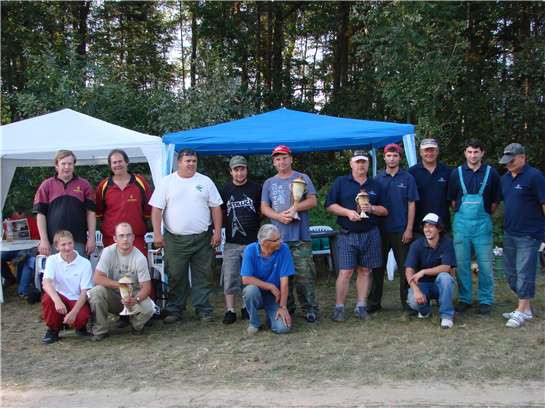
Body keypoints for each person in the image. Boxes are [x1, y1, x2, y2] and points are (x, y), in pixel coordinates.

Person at [150, 149, 223, 324]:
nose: (191, 164)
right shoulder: (167, 182)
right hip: (175, 239)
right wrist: (157, 234)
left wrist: (218, 231)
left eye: (194, 161)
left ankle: (203, 309)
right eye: (187, 161)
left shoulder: (205, 181)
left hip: (202, 238)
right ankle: (175, 309)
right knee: (175, 275)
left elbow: (216, 207)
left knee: (203, 275)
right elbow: (156, 209)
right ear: (179, 163)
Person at [325, 150, 388, 322]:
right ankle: (339, 308)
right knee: (345, 272)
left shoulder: (376, 185)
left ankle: (361, 307)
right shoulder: (341, 182)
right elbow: (329, 205)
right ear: (351, 164)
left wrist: (372, 209)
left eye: (364, 162)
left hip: (370, 233)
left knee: (365, 271)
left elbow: (385, 210)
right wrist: (347, 212)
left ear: (368, 164)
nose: (361, 165)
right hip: (347, 234)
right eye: (357, 162)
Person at [261, 144, 319, 322]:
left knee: (305, 276)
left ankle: (310, 309)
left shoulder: (302, 178)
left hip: (300, 238)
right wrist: (279, 216)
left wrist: (295, 208)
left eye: (284, 157)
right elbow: (264, 207)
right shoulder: (269, 183)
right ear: (274, 163)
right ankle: (288, 307)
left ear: (291, 159)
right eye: (277, 159)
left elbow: (312, 201)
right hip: (277, 240)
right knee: (283, 277)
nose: (281, 161)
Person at [448, 139, 501, 315]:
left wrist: (483, 216)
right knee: (462, 264)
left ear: (482, 153)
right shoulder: (457, 173)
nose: (473, 155)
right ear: (465, 153)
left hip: (482, 226)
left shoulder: (491, 173)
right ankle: (465, 299)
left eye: (476, 152)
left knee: (485, 264)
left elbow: (494, 203)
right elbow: (453, 201)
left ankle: (486, 300)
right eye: (469, 152)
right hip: (462, 225)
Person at [368, 143, 419, 313]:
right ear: (384, 157)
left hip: (401, 229)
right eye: (389, 156)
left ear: (400, 157)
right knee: (377, 268)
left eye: (395, 155)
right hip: (380, 230)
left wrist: (409, 228)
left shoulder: (408, 178)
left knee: (405, 267)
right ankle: (374, 303)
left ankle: (407, 303)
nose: (392, 158)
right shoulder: (376, 179)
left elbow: (412, 204)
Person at [499, 143, 545, 328]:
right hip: (510, 232)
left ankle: (521, 310)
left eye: (512, 160)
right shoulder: (505, 179)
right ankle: (525, 308)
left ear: (522, 157)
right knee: (510, 273)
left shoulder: (535, 177)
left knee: (525, 272)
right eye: (506, 161)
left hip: (530, 234)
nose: (508, 164)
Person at [87, 223, 155, 341]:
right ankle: (100, 330)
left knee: (149, 307)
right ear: (115, 238)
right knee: (96, 292)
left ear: (133, 237)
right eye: (121, 235)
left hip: (133, 297)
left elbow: (146, 287)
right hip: (114, 296)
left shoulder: (140, 258)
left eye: (128, 235)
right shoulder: (108, 252)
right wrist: (120, 285)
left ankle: (136, 325)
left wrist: (135, 299)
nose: (125, 239)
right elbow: (97, 278)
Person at [220, 155, 261, 324]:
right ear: (231, 171)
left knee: (248, 276)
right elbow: (219, 213)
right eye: (236, 169)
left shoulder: (256, 188)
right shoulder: (225, 190)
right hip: (231, 241)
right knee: (230, 276)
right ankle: (230, 310)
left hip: (252, 241)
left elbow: (262, 210)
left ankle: (246, 306)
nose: (239, 172)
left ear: (246, 169)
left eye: (242, 168)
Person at [33, 150, 96, 257]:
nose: (67, 167)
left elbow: (91, 214)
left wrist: (91, 239)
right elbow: (40, 214)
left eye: (70, 164)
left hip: (79, 241)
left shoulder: (85, 185)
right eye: (63, 163)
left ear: (74, 165)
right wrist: (43, 240)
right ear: (56, 165)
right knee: (54, 273)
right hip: (54, 243)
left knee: (79, 272)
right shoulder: (46, 185)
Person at [96, 149, 153, 255]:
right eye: (114, 162)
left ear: (127, 162)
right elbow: (99, 213)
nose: (118, 165)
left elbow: (149, 210)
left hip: (136, 238)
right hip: (111, 239)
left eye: (120, 161)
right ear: (110, 165)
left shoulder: (141, 183)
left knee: (138, 270)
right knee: (113, 271)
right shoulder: (103, 186)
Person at [40, 230, 93, 344]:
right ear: (57, 246)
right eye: (63, 245)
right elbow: (46, 283)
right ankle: (53, 330)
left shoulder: (85, 263)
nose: (67, 248)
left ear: (74, 243)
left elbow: (84, 292)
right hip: (60, 296)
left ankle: (80, 327)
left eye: (70, 243)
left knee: (80, 318)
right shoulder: (52, 260)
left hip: (76, 299)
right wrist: (57, 301)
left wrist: (74, 312)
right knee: (48, 298)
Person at [406, 213, 457, 329]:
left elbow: (446, 267)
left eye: (431, 226)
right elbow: (409, 270)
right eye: (425, 226)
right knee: (414, 302)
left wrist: (423, 271)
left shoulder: (447, 243)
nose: (427, 229)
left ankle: (446, 316)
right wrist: (415, 289)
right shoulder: (416, 245)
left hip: (441, 285)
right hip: (422, 285)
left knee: (445, 277)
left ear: (439, 228)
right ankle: (425, 309)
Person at [241, 224, 293, 335]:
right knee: (250, 291)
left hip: (275, 296)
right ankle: (254, 323)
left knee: (283, 328)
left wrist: (283, 307)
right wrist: (270, 286)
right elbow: (246, 279)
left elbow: (284, 283)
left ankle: (271, 318)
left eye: (280, 238)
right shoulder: (249, 250)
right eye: (276, 240)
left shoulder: (284, 249)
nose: (280, 241)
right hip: (257, 293)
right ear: (264, 242)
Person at [408, 138, 451, 234]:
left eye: (432, 150)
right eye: (426, 150)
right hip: (419, 226)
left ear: (437, 151)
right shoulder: (412, 172)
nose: (429, 153)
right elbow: (409, 201)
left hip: (442, 225)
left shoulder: (447, 171)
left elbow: (452, 201)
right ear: (420, 152)